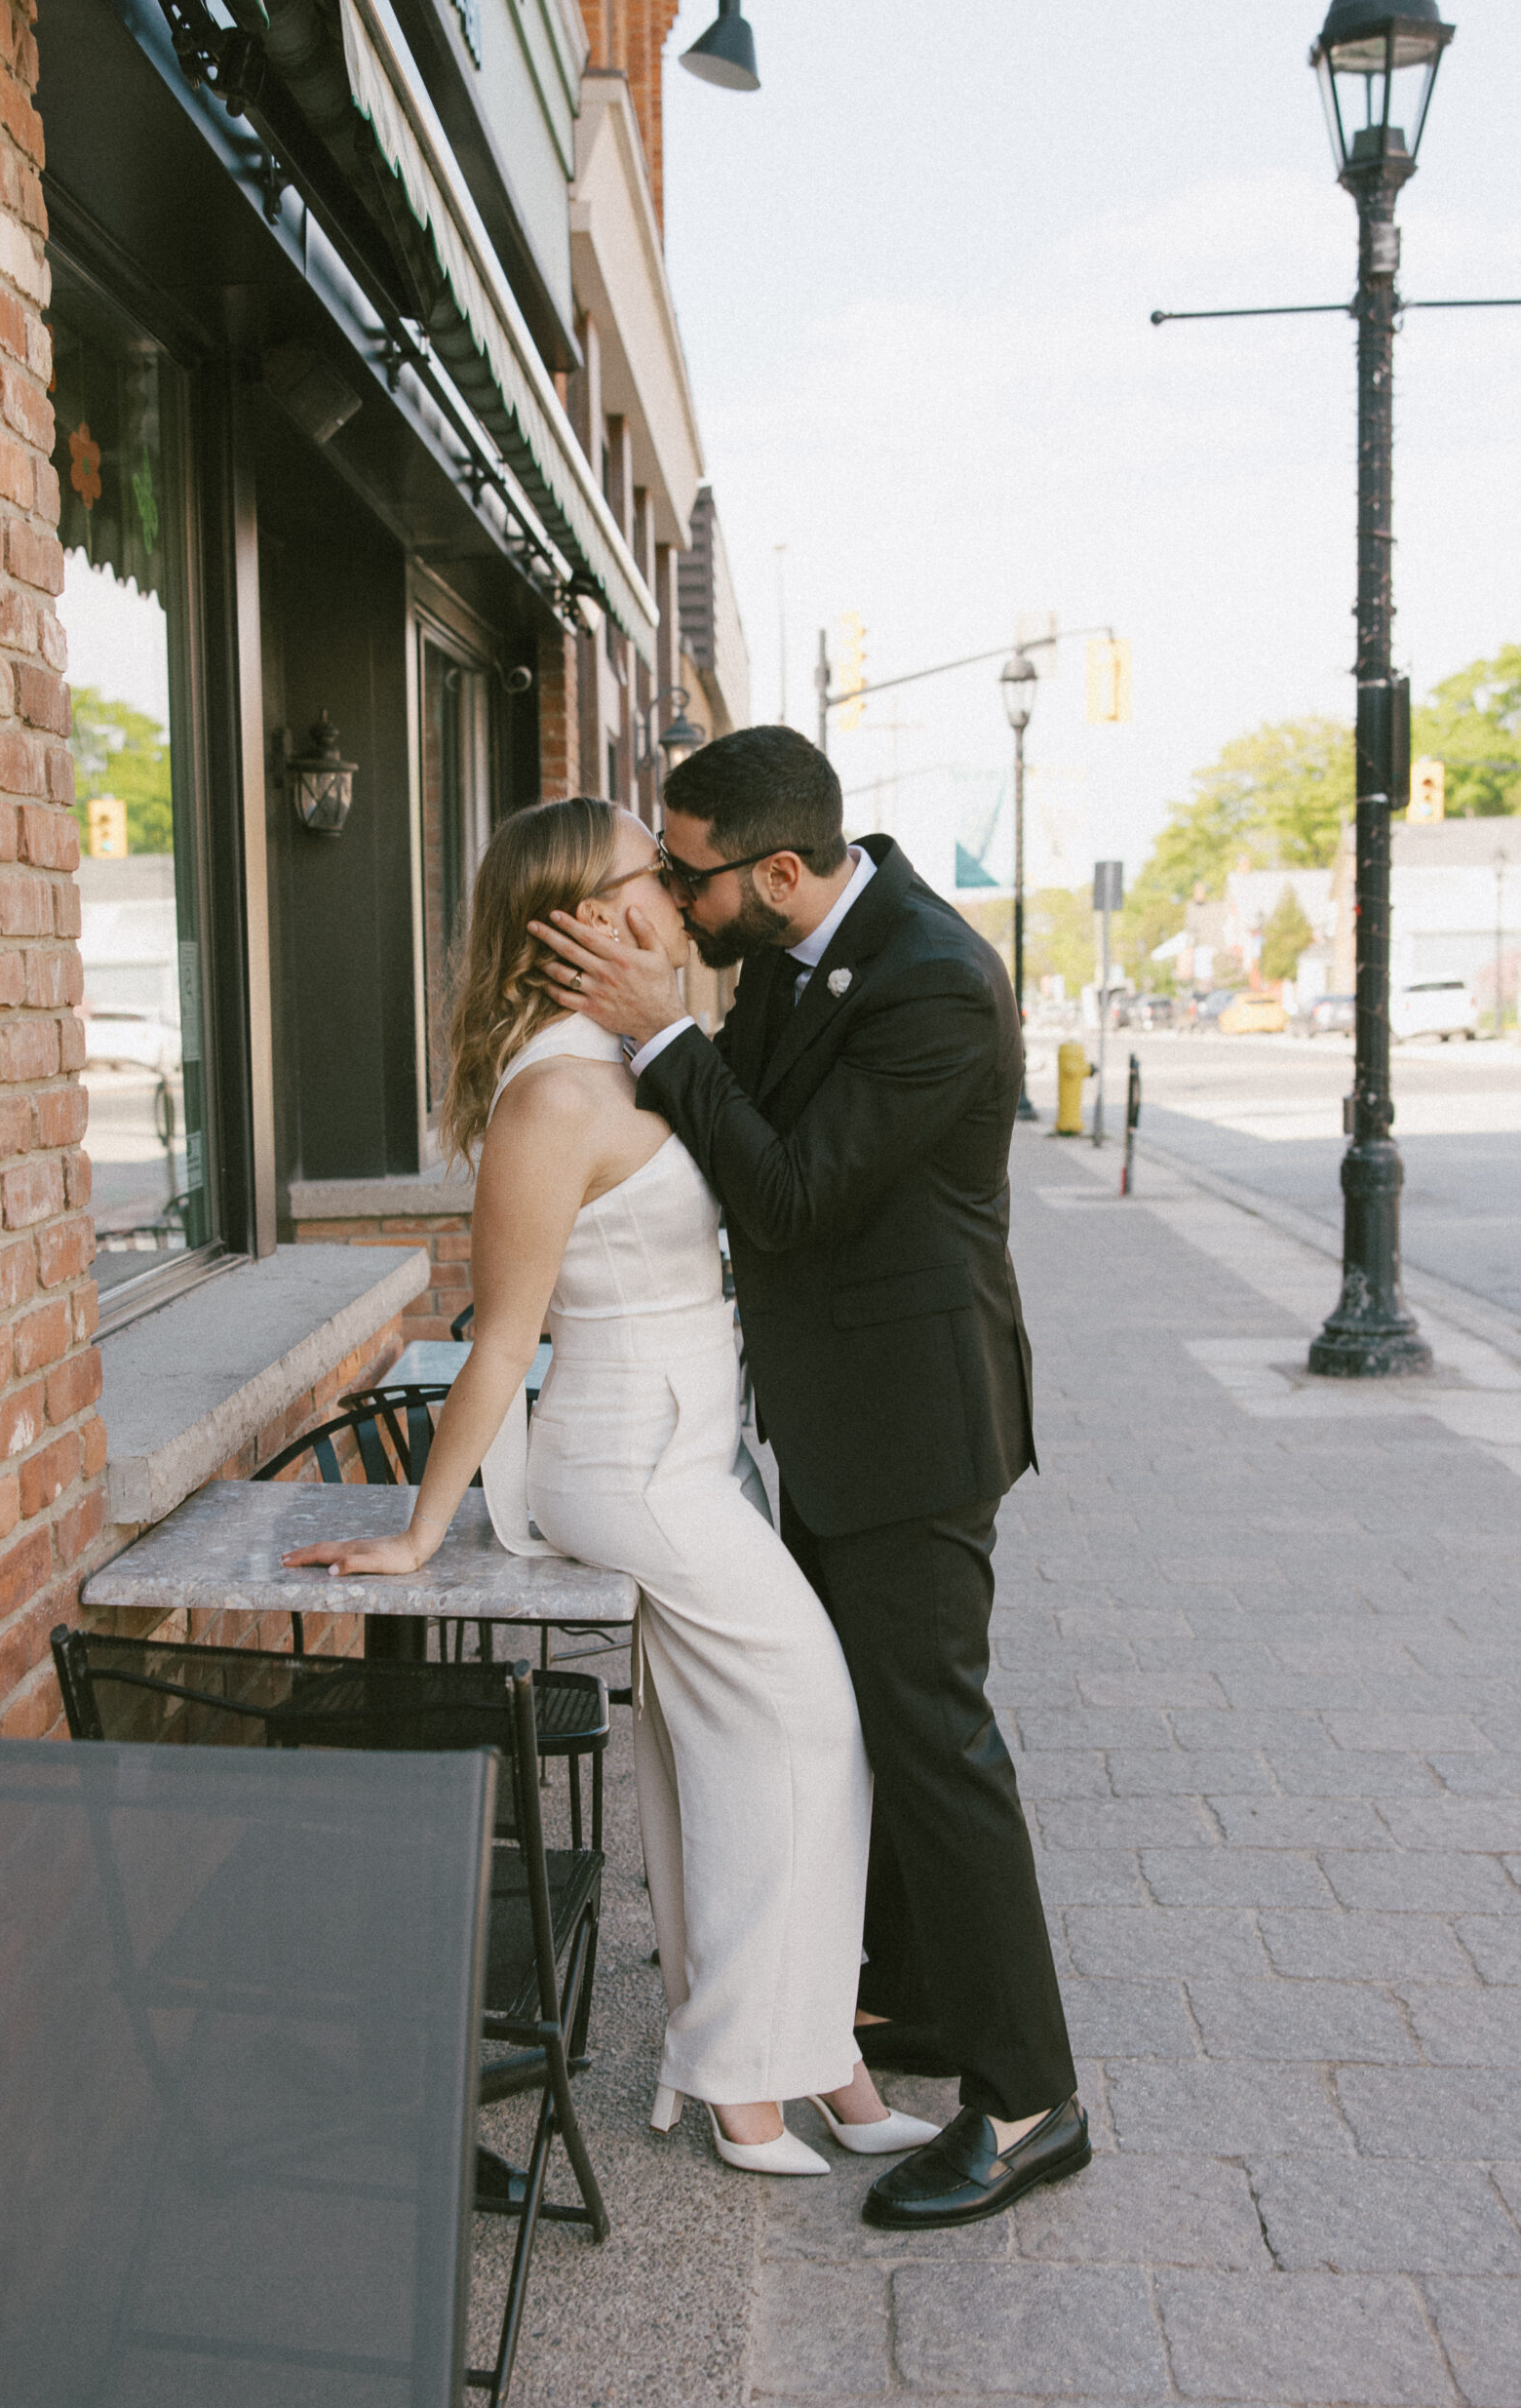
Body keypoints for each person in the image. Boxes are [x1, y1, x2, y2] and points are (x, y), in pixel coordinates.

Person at [282, 795, 936, 2178]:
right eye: (651, 876)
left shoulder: (637, 1058)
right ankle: (747, 2073)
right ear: (572, 916)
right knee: (817, 1728)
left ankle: (811, 2060)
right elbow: (503, 1337)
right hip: (628, 1467)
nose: (679, 897)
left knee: (724, 1748)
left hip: (694, 1457)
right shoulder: (554, 1098)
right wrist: (417, 1532)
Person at [529, 730, 1088, 2231]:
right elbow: (731, 1147)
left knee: (934, 1743)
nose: (666, 888)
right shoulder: (788, 951)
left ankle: (1030, 2097)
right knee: (857, 1728)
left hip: (914, 1427)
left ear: (777, 872)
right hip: (824, 1421)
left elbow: (782, 1195)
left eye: (682, 869)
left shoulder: (932, 984)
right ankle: (904, 2005)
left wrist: (660, 1034)